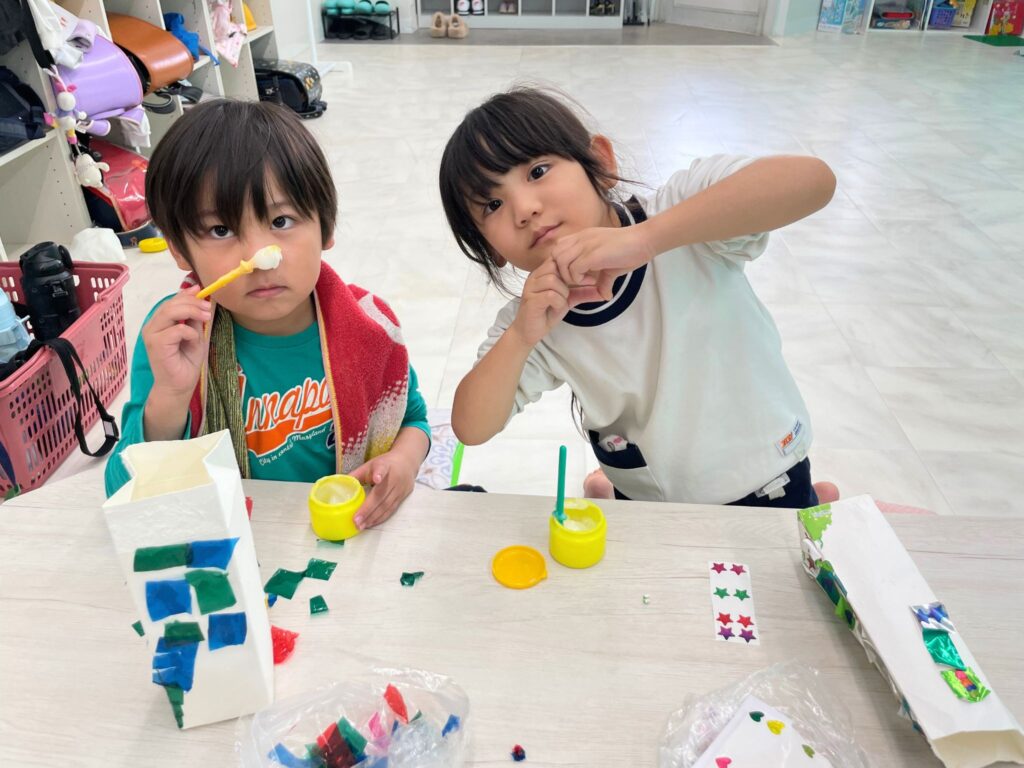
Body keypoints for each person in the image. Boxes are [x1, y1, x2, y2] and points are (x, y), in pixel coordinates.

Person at [438, 87, 839, 508]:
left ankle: (817, 500)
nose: (523, 209)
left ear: (600, 163)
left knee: (786, 544)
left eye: (537, 171)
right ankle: (605, 489)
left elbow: (814, 181)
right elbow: (472, 427)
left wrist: (648, 239)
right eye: (493, 204)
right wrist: (520, 337)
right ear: (490, 248)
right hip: (651, 501)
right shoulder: (534, 317)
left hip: (768, 473)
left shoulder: (677, 214)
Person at [105, 100, 430, 530]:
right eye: (220, 230)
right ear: (180, 251)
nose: (259, 257)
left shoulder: (370, 326)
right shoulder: (178, 336)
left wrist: (404, 461)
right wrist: (171, 395)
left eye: (281, 221)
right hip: (239, 542)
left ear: (326, 226)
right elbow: (124, 490)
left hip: (351, 532)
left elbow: (413, 420)